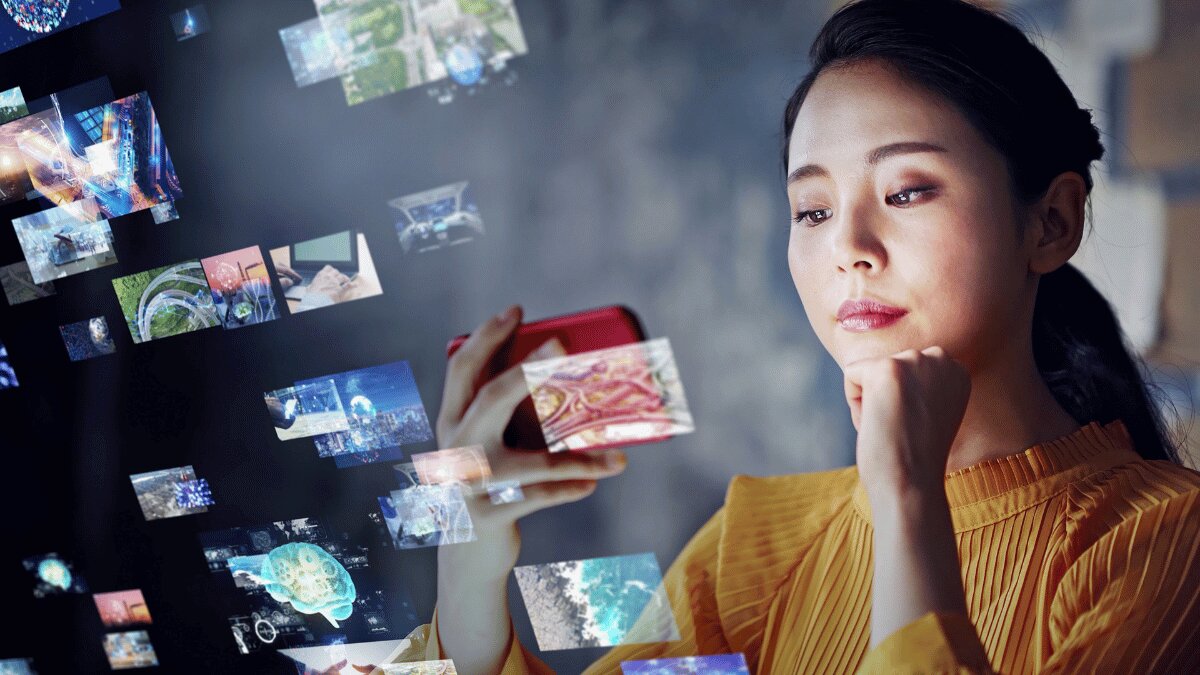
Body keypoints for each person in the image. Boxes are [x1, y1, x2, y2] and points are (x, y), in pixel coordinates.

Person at [383, 1, 1200, 672]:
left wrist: (908, 499)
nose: (849, 245)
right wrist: (467, 582)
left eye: (909, 191)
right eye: (812, 210)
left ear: (1050, 222)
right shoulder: (750, 546)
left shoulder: (1165, 540)